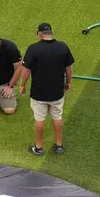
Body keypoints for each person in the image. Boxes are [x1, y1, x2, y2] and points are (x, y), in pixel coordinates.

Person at [19, 22, 75, 156]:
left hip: (39, 93)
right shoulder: (62, 46)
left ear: (39, 34)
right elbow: (68, 67)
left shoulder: (33, 49)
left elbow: (26, 70)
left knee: (39, 119)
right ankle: (59, 146)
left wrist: (22, 85)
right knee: (57, 117)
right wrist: (69, 82)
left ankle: (38, 148)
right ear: (51, 33)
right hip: (57, 92)